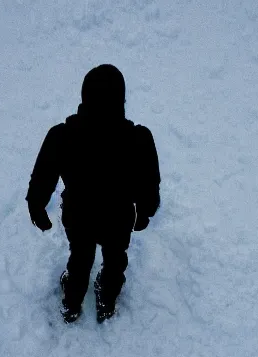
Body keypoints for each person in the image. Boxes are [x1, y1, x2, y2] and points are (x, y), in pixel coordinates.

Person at [26, 64, 160, 323]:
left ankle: (72, 302)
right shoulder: (139, 139)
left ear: (84, 98)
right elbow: (149, 183)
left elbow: (42, 177)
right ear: (121, 100)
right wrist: (145, 211)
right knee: (115, 259)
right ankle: (107, 299)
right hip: (118, 218)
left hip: (79, 216)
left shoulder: (62, 136)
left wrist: (37, 207)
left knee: (80, 257)